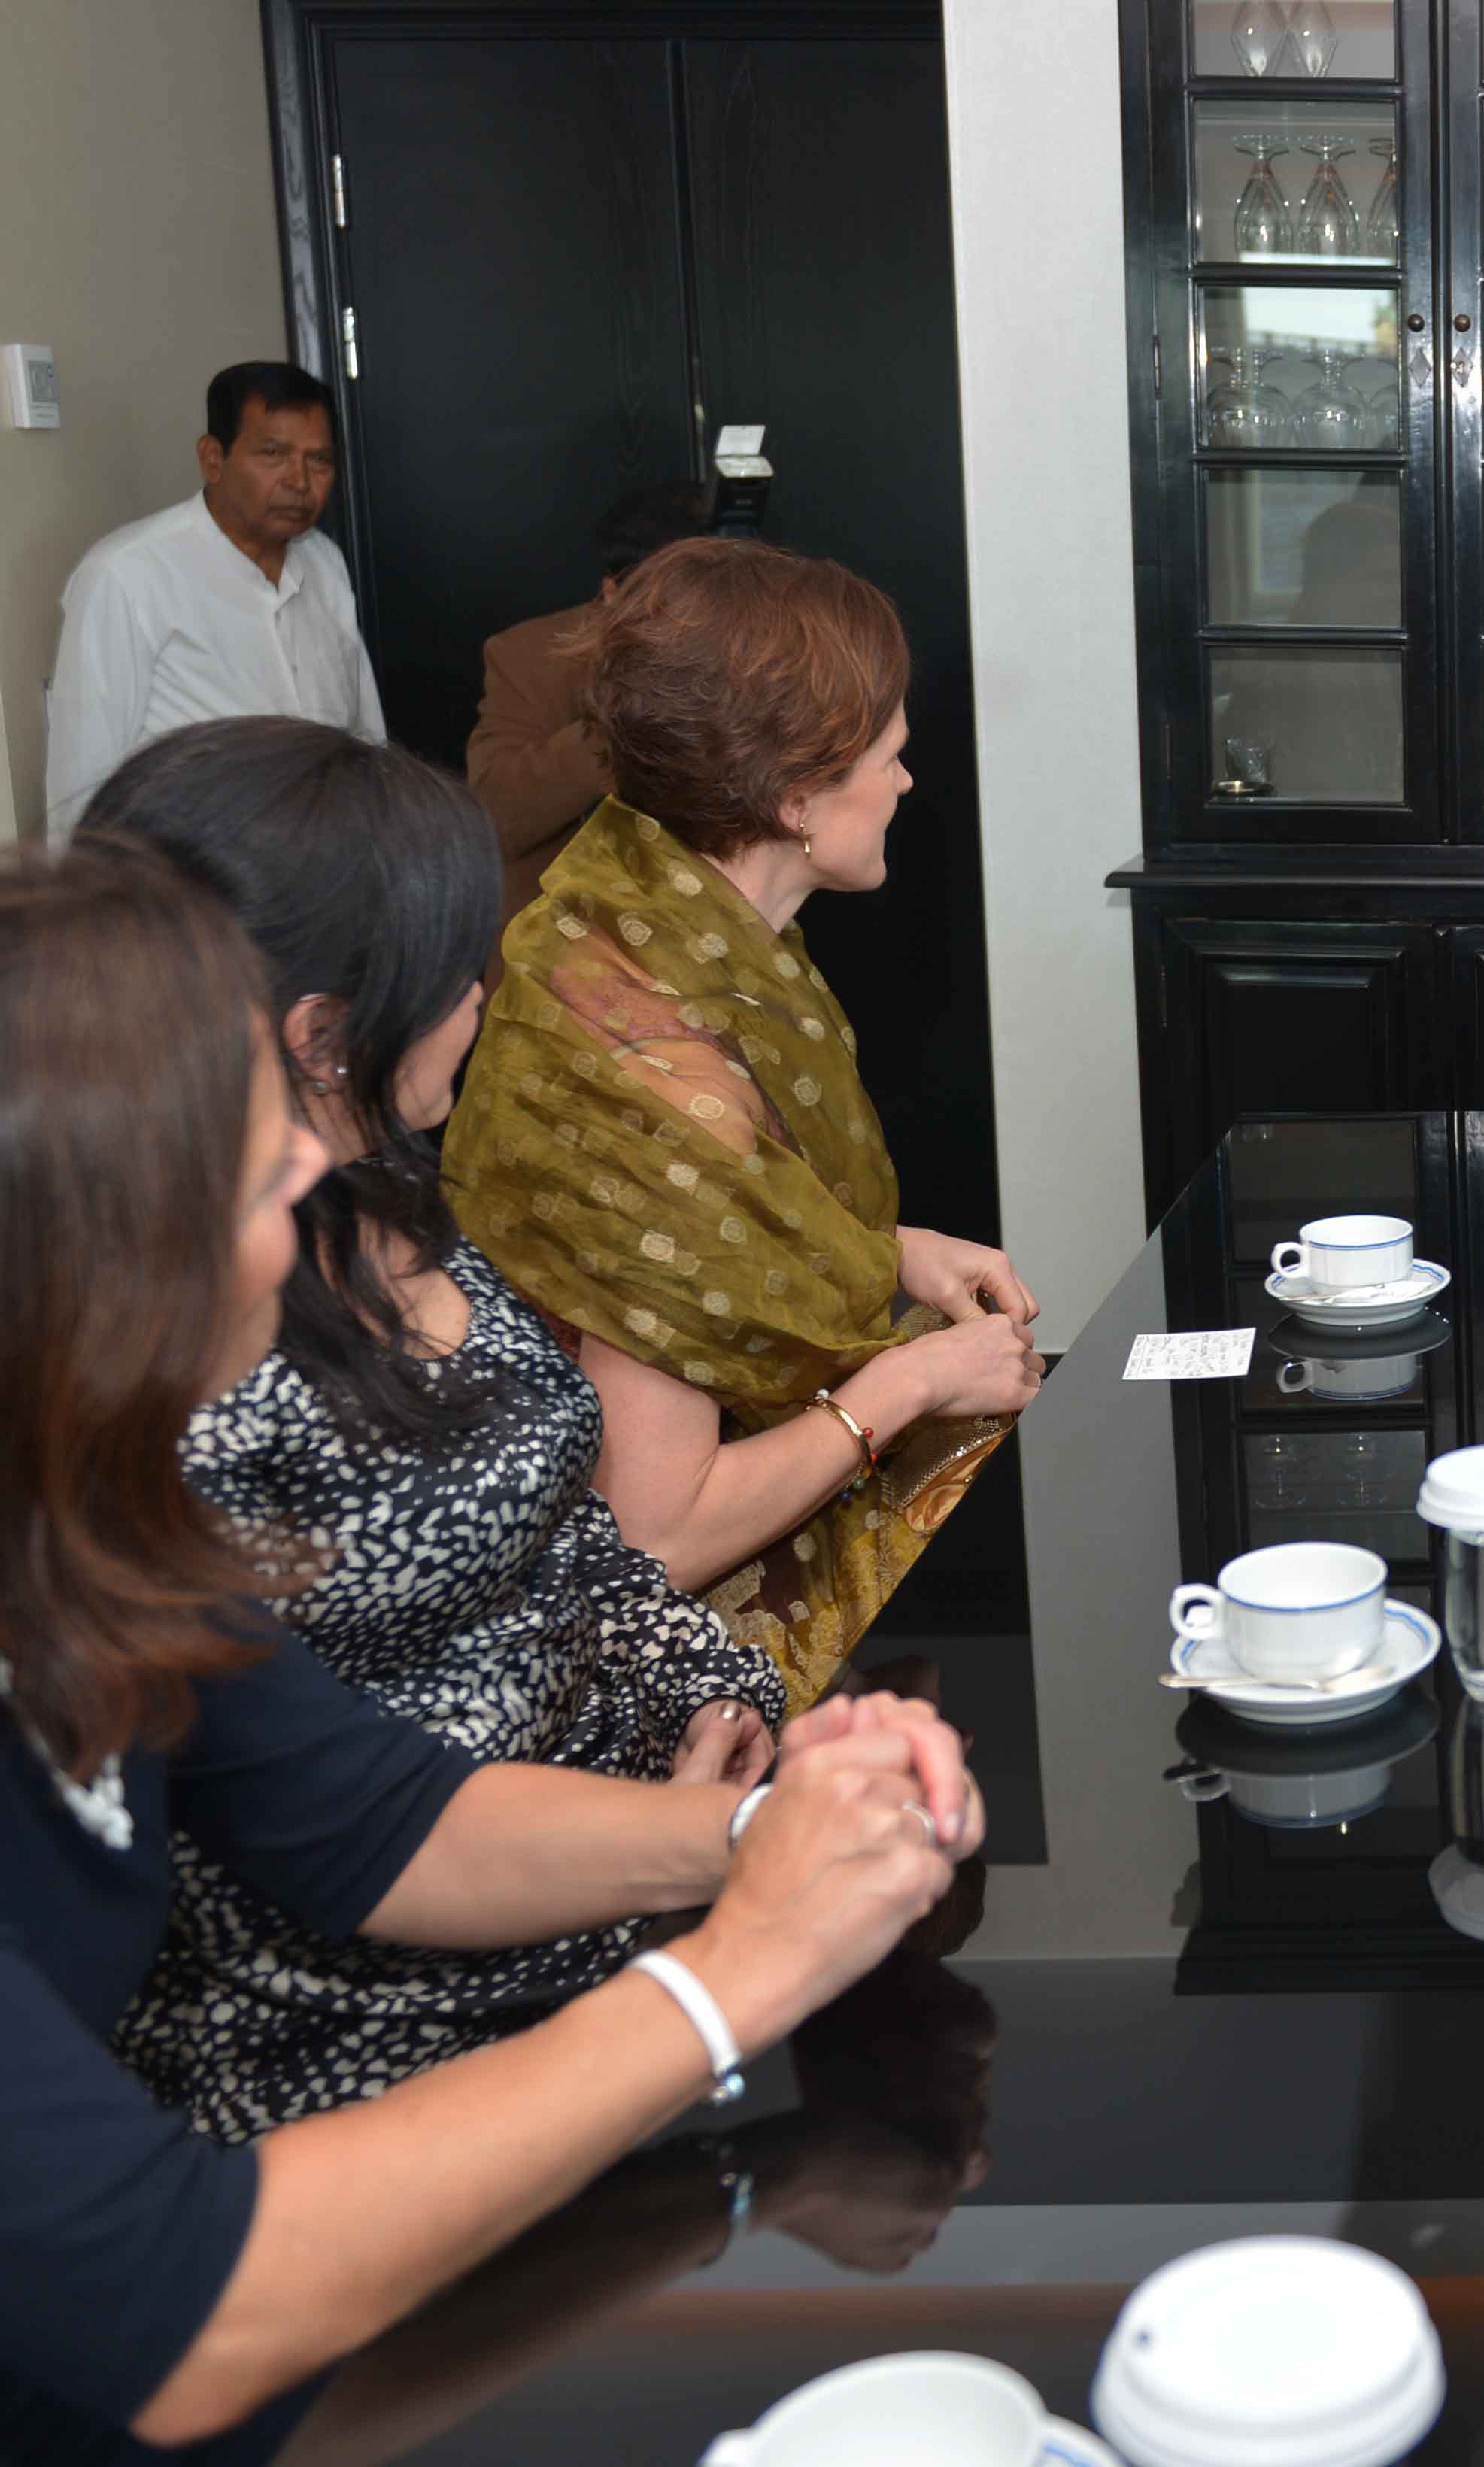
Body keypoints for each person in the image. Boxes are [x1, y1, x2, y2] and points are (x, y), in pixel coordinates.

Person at [0, 835, 979, 2462]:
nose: (305, 1177)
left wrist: (771, 1830)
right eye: (250, 1160)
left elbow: (380, 1821)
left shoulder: (78, 1514)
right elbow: (186, 2311)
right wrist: (740, 1973)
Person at [77, 719, 788, 2141]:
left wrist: (717, 1701)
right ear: (321, 1036)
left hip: (626, 1891)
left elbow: (570, 1538)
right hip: (384, 2028)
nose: (480, 996)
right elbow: (327, 1834)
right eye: (456, 968)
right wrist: (720, 1847)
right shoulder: (168, 1384)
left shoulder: (394, 1204)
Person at [438, 536, 1043, 1714]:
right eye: (889, 755)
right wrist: (914, 1378)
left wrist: (890, 1252)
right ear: (794, 799)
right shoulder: (657, 1071)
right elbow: (656, 1536)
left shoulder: (650, 922)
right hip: (632, 1679)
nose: (905, 782)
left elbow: (706, 1228)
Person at [41, 363, 381, 839]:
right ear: (213, 458)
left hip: (324, 862)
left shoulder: (324, 562)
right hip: (188, 874)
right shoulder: (126, 575)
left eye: (319, 460)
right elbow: (81, 786)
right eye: (273, 454)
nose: (300, 481)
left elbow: (366, 738)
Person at [466, 476, 715, 927]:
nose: (682, 627)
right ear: (612, 594)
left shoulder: (753, 657)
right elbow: (497, 819)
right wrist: (621, 718)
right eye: (664, 606)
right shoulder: (531, 656)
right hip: (564, 938)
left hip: (710, 925)